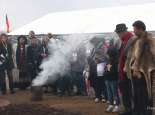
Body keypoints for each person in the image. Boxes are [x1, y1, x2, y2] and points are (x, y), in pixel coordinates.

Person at [124, 20, 155, 115]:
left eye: (135, 29)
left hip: (145, 72)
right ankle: (138, 111)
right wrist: (131, 67)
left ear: (140, 29)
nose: (133, 31)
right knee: (137, 94)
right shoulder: (135, 40)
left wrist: (138, 68)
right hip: (135, 72)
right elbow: (131, 56)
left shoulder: (150, 40)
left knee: (145, 95)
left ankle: (146, 112)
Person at [115, 23, 133, 115]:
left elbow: (129, 57)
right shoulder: (124, 40)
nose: (118, 34)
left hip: (128, 71)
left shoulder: (130, 39)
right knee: (125, 92)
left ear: (123, 31)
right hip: (123, 71)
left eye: (118, 32)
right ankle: (127, 109)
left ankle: (129, 110)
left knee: (128, 92)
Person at [104, 47, 119, 113]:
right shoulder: (108, 61)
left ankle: (117, 106)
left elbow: (115, 71)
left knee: (115, 93)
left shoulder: (115, 61)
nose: (106, 55)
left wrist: (107, 71)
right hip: (108, 79)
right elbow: (106, 69)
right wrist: (106, 71)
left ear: (111, 54)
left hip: (113, 79)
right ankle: (111, 105)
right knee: (109, 93)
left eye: (108, 54)